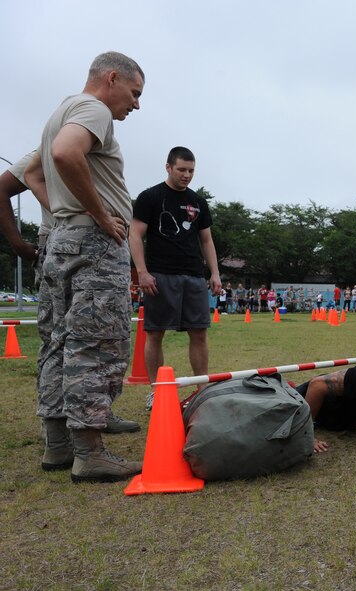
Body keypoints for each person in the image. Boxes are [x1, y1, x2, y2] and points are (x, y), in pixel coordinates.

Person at [26, 51, 145, 482]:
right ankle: (90, 453)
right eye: (134, 93)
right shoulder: (94, 109)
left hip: (61, 240)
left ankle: (58, 446)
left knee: (58, 343)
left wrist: (65, 212)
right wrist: (96, 213)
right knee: (96, 343)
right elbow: (64, 154)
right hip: (93, 244)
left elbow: (34, 173)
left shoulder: (61, 111)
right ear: (112, 78)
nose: (135, 105)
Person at [130, 146, 222, 410]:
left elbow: (206, 239)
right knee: (155, 333)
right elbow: (135, 234)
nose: (187, 175)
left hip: (193, 276)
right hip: (159, 275)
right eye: (181, 169)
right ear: (168, 167)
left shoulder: (198, 202)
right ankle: (156, 392)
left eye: (191, 170)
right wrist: (142, 272)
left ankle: (201, 391)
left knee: (199, 333)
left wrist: (214, 273)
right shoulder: (150, 197)